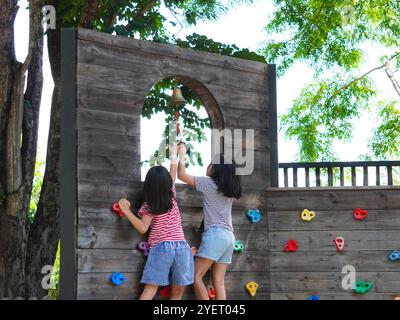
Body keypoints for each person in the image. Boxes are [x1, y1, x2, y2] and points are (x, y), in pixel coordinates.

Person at [118, 143, 194, 300]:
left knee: (151, 289)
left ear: (149, 186)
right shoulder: (170, 197)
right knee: (178, 292)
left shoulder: (150, 205)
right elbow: (171, 176)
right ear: (167, 184)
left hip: (162, 248)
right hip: (181, 247)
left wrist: (126, 211)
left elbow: (143, 228)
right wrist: (177, 155)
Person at [177, 143, 241, 300]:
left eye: (211, 163)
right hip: (229, 238)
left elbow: (181, 175)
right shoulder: (228, 191)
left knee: (195, 276)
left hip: (215, 235)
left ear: (216, 169)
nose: (208, 165)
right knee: (218, 283)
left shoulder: (209, 183)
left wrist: (182, 154)